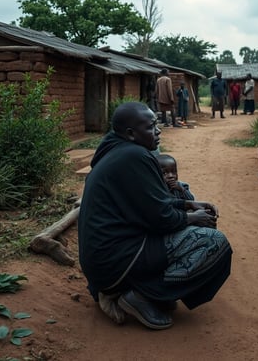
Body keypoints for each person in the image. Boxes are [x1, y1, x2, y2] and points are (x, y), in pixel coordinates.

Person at [78, 102, 232, 330]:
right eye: (151, 127)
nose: (158, 130)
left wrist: (188, 203)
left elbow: (149, 202)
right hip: (115, 262)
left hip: (103, 263)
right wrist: (193, 217)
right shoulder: (135, 156)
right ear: (130, 133)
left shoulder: (114, 150)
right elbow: (161, 219)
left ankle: (142, 291)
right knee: (213, 241)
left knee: (195, 223)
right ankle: (141, 295)